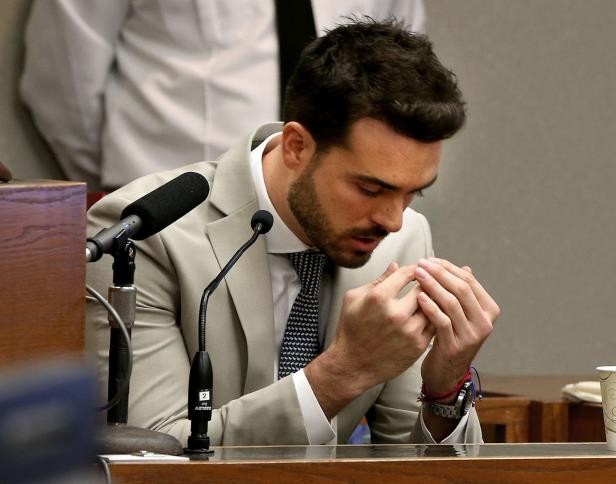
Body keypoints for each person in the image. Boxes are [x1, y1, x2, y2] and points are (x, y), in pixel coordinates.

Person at [85, 19, 499, 445]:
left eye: (414, 193)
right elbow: (155, 451)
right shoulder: (145, 233)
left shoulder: (405, 238)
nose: (392, 221)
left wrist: (444, 392)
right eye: (371, 190)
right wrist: (344, 371)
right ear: (297, 147)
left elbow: (409, 460)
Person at [20, 0, 425, 191]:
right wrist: (132, 189)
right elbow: (61, 76)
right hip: (174, 209)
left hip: (336, 213)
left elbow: (401, 72)